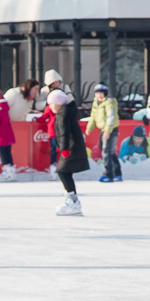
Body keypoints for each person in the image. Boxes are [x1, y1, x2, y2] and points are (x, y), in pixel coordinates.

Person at [47, 88, 88, 216]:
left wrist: (64, 148)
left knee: (62, 171)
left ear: (57, 103)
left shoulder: (63, 114)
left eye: (51, 104)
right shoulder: (64, 112)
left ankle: (73, 200)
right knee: (65, 172)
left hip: (71, 148)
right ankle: (72, 199)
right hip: (72, 147)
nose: (50, 107)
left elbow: (65, 133)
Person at [86, 82, 121, 182]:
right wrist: (90, 127)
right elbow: (93, 116)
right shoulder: (96, 103)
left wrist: (107, 131)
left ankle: (108, 175)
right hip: (103, 129)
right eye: (97, 93)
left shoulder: (109, 102)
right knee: (108, 151)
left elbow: (111, 117)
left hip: (111, 129)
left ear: (105, 94)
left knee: (106, 152)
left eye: (101, 93)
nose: (99, 95)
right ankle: (117, 173)